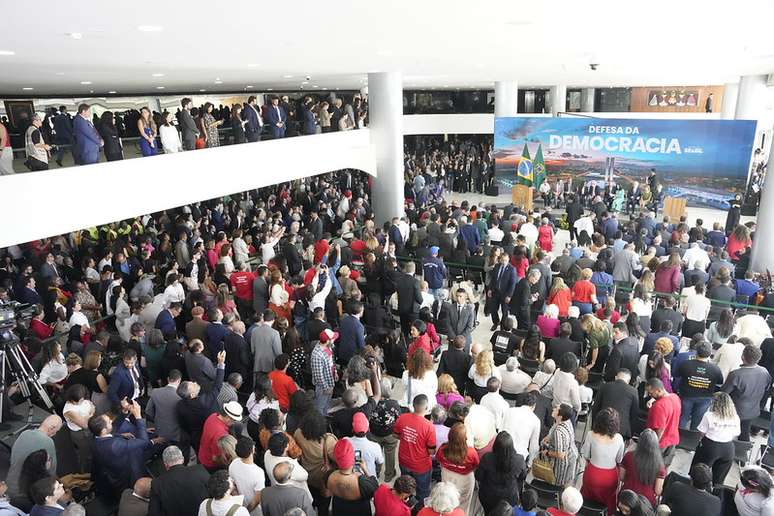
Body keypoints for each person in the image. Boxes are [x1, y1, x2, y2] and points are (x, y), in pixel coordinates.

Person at [89, 400, 151, 499]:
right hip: (124, 475)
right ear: (103, 430)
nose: (111, 421)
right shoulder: (115, 445)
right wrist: (138, 416)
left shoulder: (96, 436)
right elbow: (144, 441)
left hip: (110, 468)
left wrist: (124, 413)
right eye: (109, 422)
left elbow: (114, 428)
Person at [5, 416, 62, 506]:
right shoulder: (48, 442)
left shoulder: (25, 433)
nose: (55, 434)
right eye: (57, 431)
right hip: (26, 493)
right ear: (52, 428)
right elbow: (51, 471)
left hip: (10, 484)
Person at [722, 344, 772, 441]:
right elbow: (767, 388)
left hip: (733, 411)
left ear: (742, 357)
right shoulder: (765, 372)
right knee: (744, 433)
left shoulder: (736, 374)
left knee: (725, 434)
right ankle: (742, 451)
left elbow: (724, 392)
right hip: (753, 410)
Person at [293, 410, 338, 516]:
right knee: (323, 507)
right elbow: (340, 460)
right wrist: (331, 466)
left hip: (307, 477)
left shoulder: (298, 433)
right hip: (321, 480)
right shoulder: (328, 441)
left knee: (311, 500)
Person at [580, 407, 625, 514]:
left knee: (587, 497)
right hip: (610, 477)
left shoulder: (591, 435)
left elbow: (585, 454)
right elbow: (619, 459)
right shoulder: (619, 438)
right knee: (608, 500)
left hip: (592, 474)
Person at [394, 394, 436, 502]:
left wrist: (407, 437)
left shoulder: (402, 418)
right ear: (426, 408)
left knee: (405, 488)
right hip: (421, 466)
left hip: (404, 461)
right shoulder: (429, 426)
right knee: (423, 492)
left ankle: (405, 504)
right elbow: (431, 451)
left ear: (413, 405)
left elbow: (395, 435)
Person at [149, 445, 210, 516]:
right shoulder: (200, 470)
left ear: (165, 464)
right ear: (183, 459)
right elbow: (214, 494)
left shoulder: (157, 483)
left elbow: (154, 513)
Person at [326, 438, 379, 516]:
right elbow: (375, 487)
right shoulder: (362, 482)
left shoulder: (329, 476)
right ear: (353, 458)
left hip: (339, 508)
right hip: (359, 510)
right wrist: (365, 469)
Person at [475, 431, 526, 513]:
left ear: (495, 445)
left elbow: (478, 476)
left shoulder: (487, 458)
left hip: (488, 497)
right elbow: (522, 477)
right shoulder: (519, 460)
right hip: (509, 499)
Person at [678, 341, 723, 430]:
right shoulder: (715, 369)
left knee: (683, 418)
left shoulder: (686, 364)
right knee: (697, 422)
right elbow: (720, 382)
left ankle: (679, 438)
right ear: (710, 354)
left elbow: (677, 374)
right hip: (705, 398)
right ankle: (692, 440)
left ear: (696, 351)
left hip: (686, 396)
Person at [436, 423, 479, 514]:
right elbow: (476, 465)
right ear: (465, 438)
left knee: (447, 499)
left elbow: (438, 459)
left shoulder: (442, 449)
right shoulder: (471, 452)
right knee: (464, 501)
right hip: (465, 479)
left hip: (447, 475)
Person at [619, 429, 666, 507]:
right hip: (646, 502)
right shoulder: (660, 465)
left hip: (627, 497)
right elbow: (658, 491)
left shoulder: (628, 456)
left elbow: (621, 477)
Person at [198, 401, 244, 471]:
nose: (234, 423)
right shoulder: (221, 434)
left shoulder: (213, 415)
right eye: (234, 420)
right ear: (228, 417)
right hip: (210, 463)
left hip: (202, 454)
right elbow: (215, 458)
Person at [645, 377, 681, 465]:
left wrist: (653, 447)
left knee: (652, 468)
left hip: (660, 444)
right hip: (673, 440)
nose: (650, 395)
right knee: (662, 471)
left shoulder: (659, 406)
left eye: (651, 393)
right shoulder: (675, 397)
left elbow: (660, 429)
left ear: (658, 390)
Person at [542, 403, 578, 486]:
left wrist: (547, 453)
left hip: (563, 464)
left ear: (560, 416)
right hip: (571, 455)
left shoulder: (559, 431)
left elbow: (561, 455)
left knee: (558, 485)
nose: (553, 409)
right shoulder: (567, 421)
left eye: (556, 409)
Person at [228, 436, 265, 516]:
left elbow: (233, 487)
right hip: (255, 511)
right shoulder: (258, 472)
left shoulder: (233, 464)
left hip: (240, 504)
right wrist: (246, 511)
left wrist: (241, 506)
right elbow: (257, 499)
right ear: (253, 449)